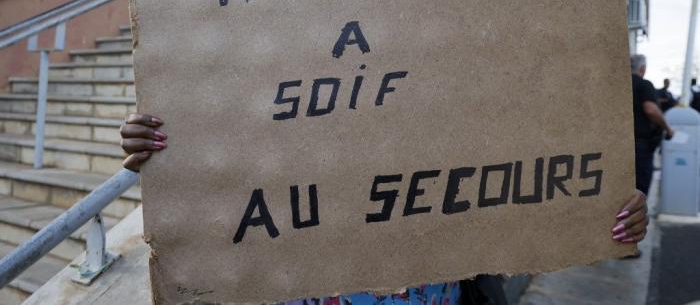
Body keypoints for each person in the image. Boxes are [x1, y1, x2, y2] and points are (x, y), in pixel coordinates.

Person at [120, 114, 649, 304]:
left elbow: (532, 193)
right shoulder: (271, 149)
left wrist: (602, 210)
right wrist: (167, 145)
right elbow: (214, 193)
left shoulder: (459, 145)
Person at [631, 55, 674, 195]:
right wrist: (668, 129)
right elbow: (650, 109)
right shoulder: (644, 84)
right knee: (639, 192)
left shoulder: (616, 85)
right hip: (639, 146)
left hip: (615, 143)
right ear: (642, 68)